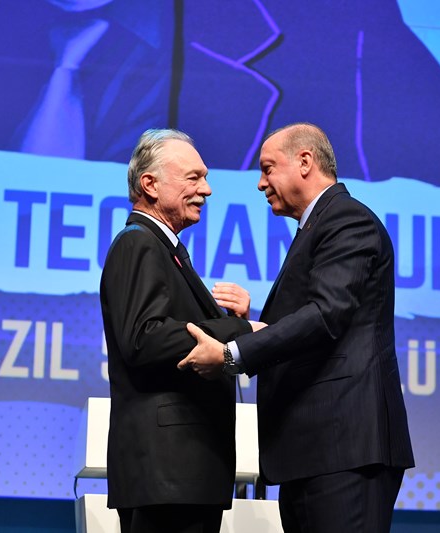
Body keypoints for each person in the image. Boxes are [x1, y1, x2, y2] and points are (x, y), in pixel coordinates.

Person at [178, 123, 415, 532]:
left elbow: (325, 315)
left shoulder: (347, 220)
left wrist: (233, 354)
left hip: (344, 449)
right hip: (315, 451)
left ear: (305, 162)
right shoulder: (319, 224)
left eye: (268, 168)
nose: (260, 183)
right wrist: (254, 325)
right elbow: (319, 322)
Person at [100, 128, 256, 533]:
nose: (206, 189)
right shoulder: (137, 243)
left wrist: (228, 319)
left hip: (183, 474)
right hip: (167, 474)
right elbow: (144, 338)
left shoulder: (162, 247)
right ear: (150, 184)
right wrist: (239, 328)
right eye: (194, 177)